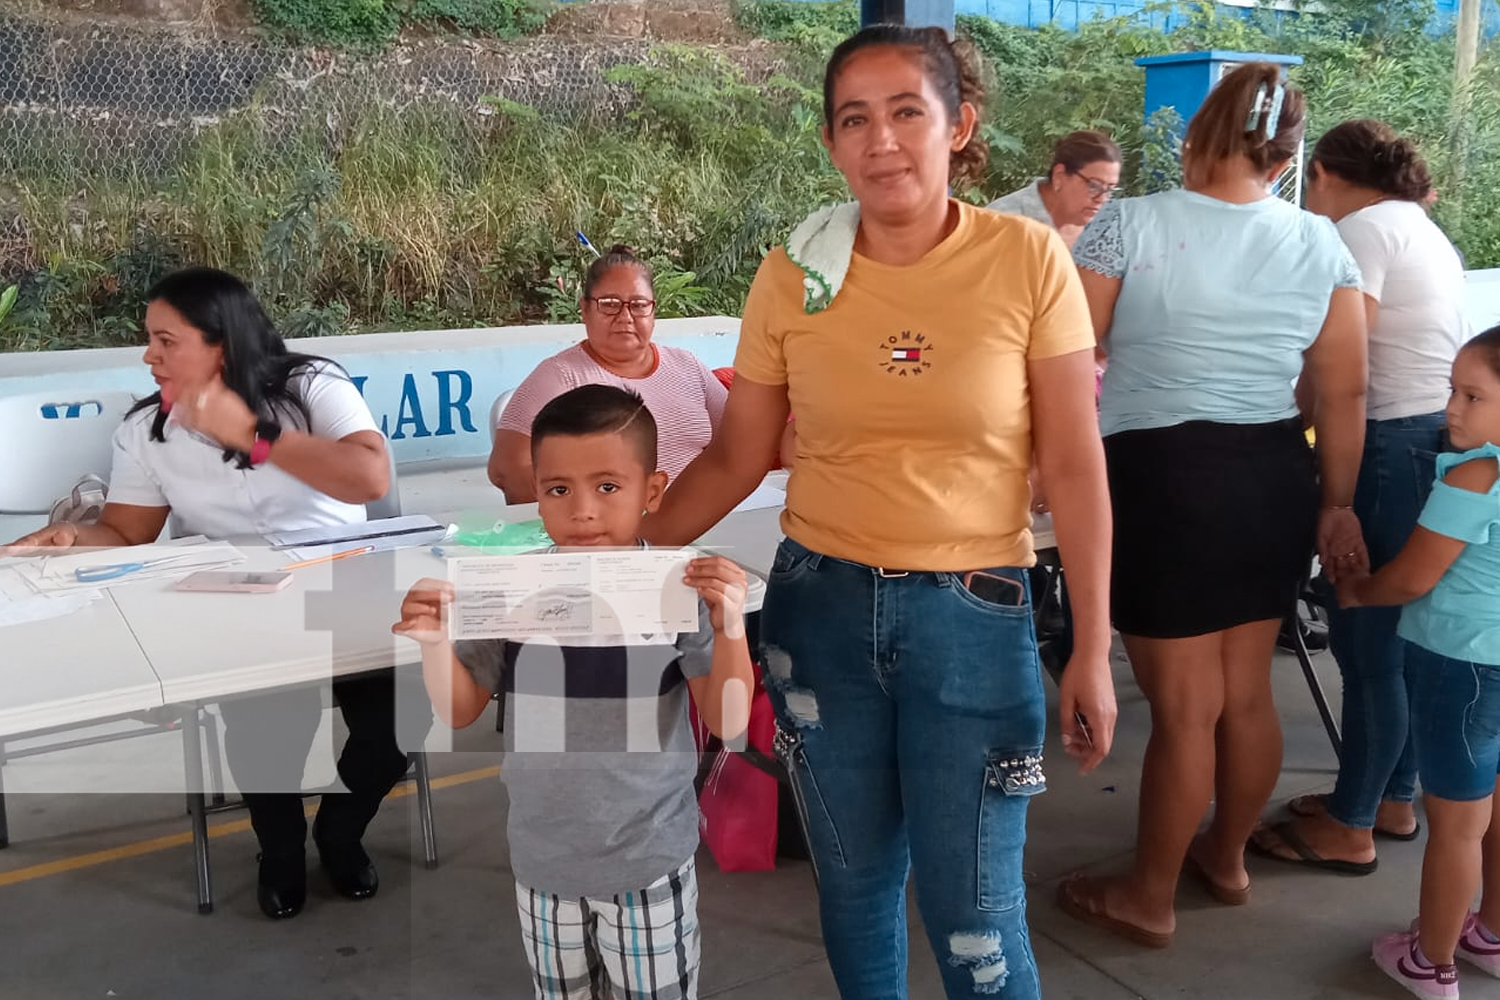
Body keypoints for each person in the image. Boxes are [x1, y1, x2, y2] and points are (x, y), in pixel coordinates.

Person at [641, 25, 1116, 1000]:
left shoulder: (1027, 261)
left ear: (960, 125)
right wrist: (611, 553)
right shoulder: (795, 272)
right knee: (855, 892)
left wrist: (1095, 647)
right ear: (830, 142)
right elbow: (739, 452)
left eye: (908, 111)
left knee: (976, 919)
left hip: (975, 618)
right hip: (820, 613)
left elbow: (1072, 464)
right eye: (855, 119)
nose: (882, 140)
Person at [3, 267, 431, 920]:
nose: (148, 355)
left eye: (165, 340)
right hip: (239, 602)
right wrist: (73, 537)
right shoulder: (148, 430)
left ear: (220, 343)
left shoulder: (312, 385)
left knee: (400, 715)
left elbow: (368, 478)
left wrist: (253, 438)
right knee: (268, 725)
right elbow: (127, 531)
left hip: (342, 584)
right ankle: (281, 850)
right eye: (149, 339)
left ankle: (341, 831)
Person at [1057, 64, 1369, 946]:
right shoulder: (1322, 244)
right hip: (1273, 470)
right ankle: (1225, 858)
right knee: (1247, 697)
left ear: (1196, 134)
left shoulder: (1131, 222)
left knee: (1185, 708)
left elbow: (1071, 353)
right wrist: (1335, 503)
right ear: (1285, 152)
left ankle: (1147, 895)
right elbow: (1341, 394)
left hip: (1163, 474)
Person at [394, 384, 755, 1000]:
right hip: (543, 865)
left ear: (653, 490)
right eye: (559, 489)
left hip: (648, 863)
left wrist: (730, 629)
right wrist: (433, 642)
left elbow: (728, 720)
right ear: (537, 495)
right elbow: (459, 710)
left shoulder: (676, 589)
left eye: (608, 487)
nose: (582, 509)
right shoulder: (513, 591)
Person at [1264, 119, 1470, 873]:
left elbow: (1338, 359)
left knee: (1366, 636)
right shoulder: (1415, 226)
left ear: (1320, 173)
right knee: (1397, 636)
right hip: (1427, 439)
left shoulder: (1362, 232)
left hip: (1390, 445)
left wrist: (1295, 445)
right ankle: (1391, 797)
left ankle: (1351, 822)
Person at [1336, 327, 1500, 1000]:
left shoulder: (1476, 472)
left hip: (1458, 665)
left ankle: (1430, 962)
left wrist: (1358, 591)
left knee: (1457, 822)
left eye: (1472, 395)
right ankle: (1488, 931)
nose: (1452, 410)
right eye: (1451, 391)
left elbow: (1414, 577)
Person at [488, 246, 728, 502]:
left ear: (653, 311)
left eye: (638, 305)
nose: (625, 316)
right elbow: (507, 469)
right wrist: (591, 507)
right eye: (610, 304)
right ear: (585, 310)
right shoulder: (560, 378)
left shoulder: (687, 366)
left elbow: (741, 439)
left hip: (707, 517)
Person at [988, 130, 1122, 248]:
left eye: (1110, 189)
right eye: (1094, 186)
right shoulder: (1001, 222)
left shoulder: (1106, 229)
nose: (1102, 199)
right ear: (1059, 176)